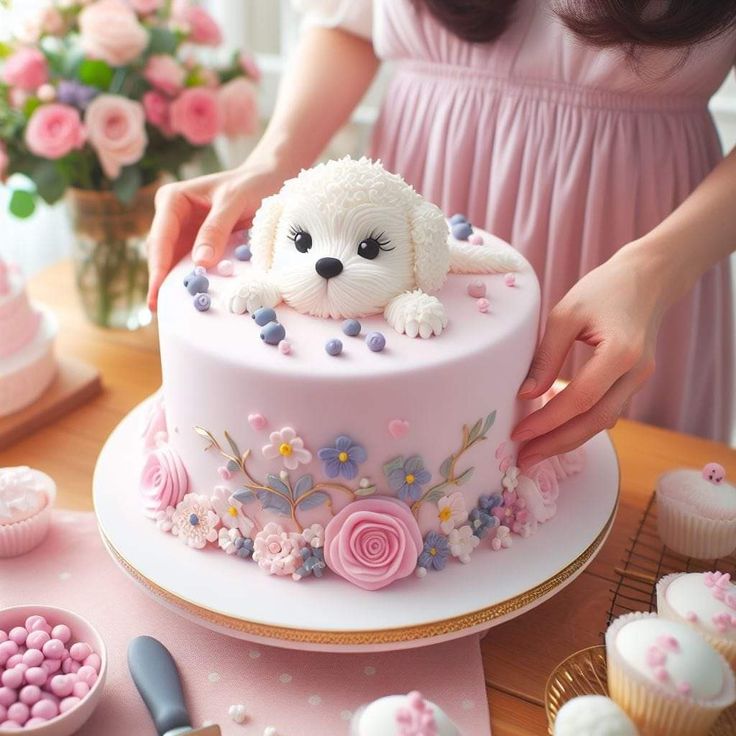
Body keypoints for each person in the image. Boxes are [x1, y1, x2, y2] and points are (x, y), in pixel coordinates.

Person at [146, 0, 736, 468]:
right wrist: (275, 162)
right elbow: (351, 21)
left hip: (642, 229)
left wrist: (655, 269)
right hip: (401, 213)